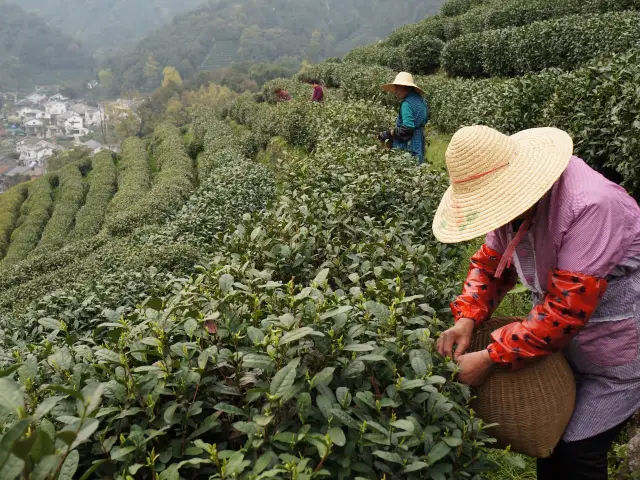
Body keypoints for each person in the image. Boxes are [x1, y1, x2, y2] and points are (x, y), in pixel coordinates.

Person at [432, 125, 640, 480]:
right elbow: (491, 267)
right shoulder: (514, 204)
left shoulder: (591, 206)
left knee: (579, 450)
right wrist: (466, 318)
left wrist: (490, 358)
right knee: (550, 439)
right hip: (561, 345)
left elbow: (565, 310)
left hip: (617, 350)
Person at [377, 72, 429, 164]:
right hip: (419, 140)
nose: (395, 90)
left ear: (406, 87)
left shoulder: (406, 104)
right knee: (418, 169)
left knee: (407, 169)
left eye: (398, 87)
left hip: (408, 144)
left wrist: (388, 133)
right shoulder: (421, 100)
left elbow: (407, 129)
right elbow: (424, 120)